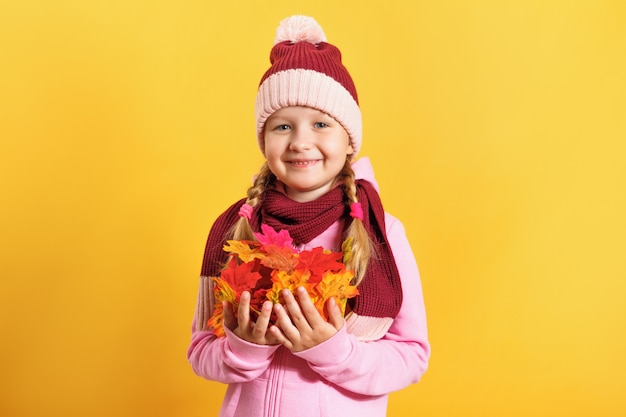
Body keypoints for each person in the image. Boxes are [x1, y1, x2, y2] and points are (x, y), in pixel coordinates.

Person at [187, 15, 430, 417]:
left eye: (321, 124)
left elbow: (412, 356)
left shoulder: (381, 231)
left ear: (348, 139)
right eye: (282, 126)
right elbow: (200, 352)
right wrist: (245, 348)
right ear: (263, 139)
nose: (301, 142)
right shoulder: (236, 228)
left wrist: (333, 351)